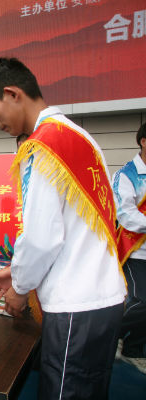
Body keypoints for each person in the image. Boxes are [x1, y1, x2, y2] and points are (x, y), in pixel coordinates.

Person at [0, 58, 126, 399]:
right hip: (103, 295)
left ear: (12, 93)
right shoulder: (79, 136)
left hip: (75, 303)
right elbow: (75, 228)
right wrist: (15, 272)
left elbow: (41, 238)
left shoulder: (42, 146)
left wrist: (20, 287)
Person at [113, 122, 146, 374]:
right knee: (141, 301)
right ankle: (107, 333)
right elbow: (125, 214)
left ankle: (134, 348)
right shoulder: (126, 175)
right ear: (143, 142)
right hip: (136, 252)